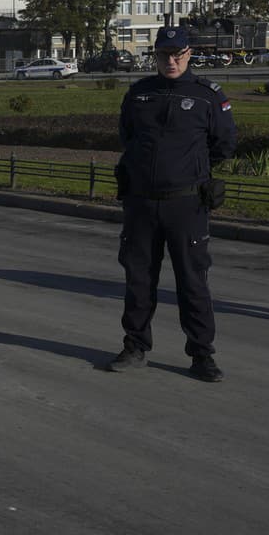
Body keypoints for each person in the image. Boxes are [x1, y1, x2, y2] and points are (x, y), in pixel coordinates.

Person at [108, 25, 238, 381]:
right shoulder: (139, 94)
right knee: (138, 280)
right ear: (156, 56)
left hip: (186, 204)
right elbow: (127, 136)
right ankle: (135, 347)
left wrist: (190, 169)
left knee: (193, 283)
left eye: (178, 54)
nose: (171, 61)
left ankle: (201, 355)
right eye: (164, 54)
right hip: (141, 205)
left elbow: (224, 143)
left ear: (189, 54)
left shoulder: (207, 95)